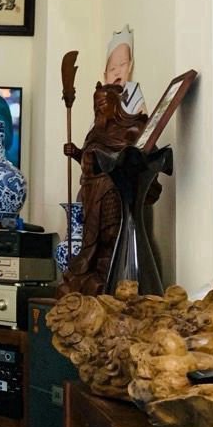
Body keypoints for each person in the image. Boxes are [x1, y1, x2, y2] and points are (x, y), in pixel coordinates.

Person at [61, 81, 152, 295]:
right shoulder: (95, 132)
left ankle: (108, 276)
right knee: (91, 236)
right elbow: (90, 162)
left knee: (110, 235)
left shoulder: (131, 130)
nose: (98, 109)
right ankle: (88, 275)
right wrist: (77, 153)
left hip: (111, 191)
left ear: (115, 105)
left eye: (102, 104)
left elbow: (131, 159)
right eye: (96, 105)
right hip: (90, 192)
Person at [103, 25, 146, 115]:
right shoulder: (104, 98)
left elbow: (143, 116)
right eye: (112, 69)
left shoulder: (132, 90)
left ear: (130, 66)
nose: (117, 72)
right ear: (105, 77)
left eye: (122, 64)